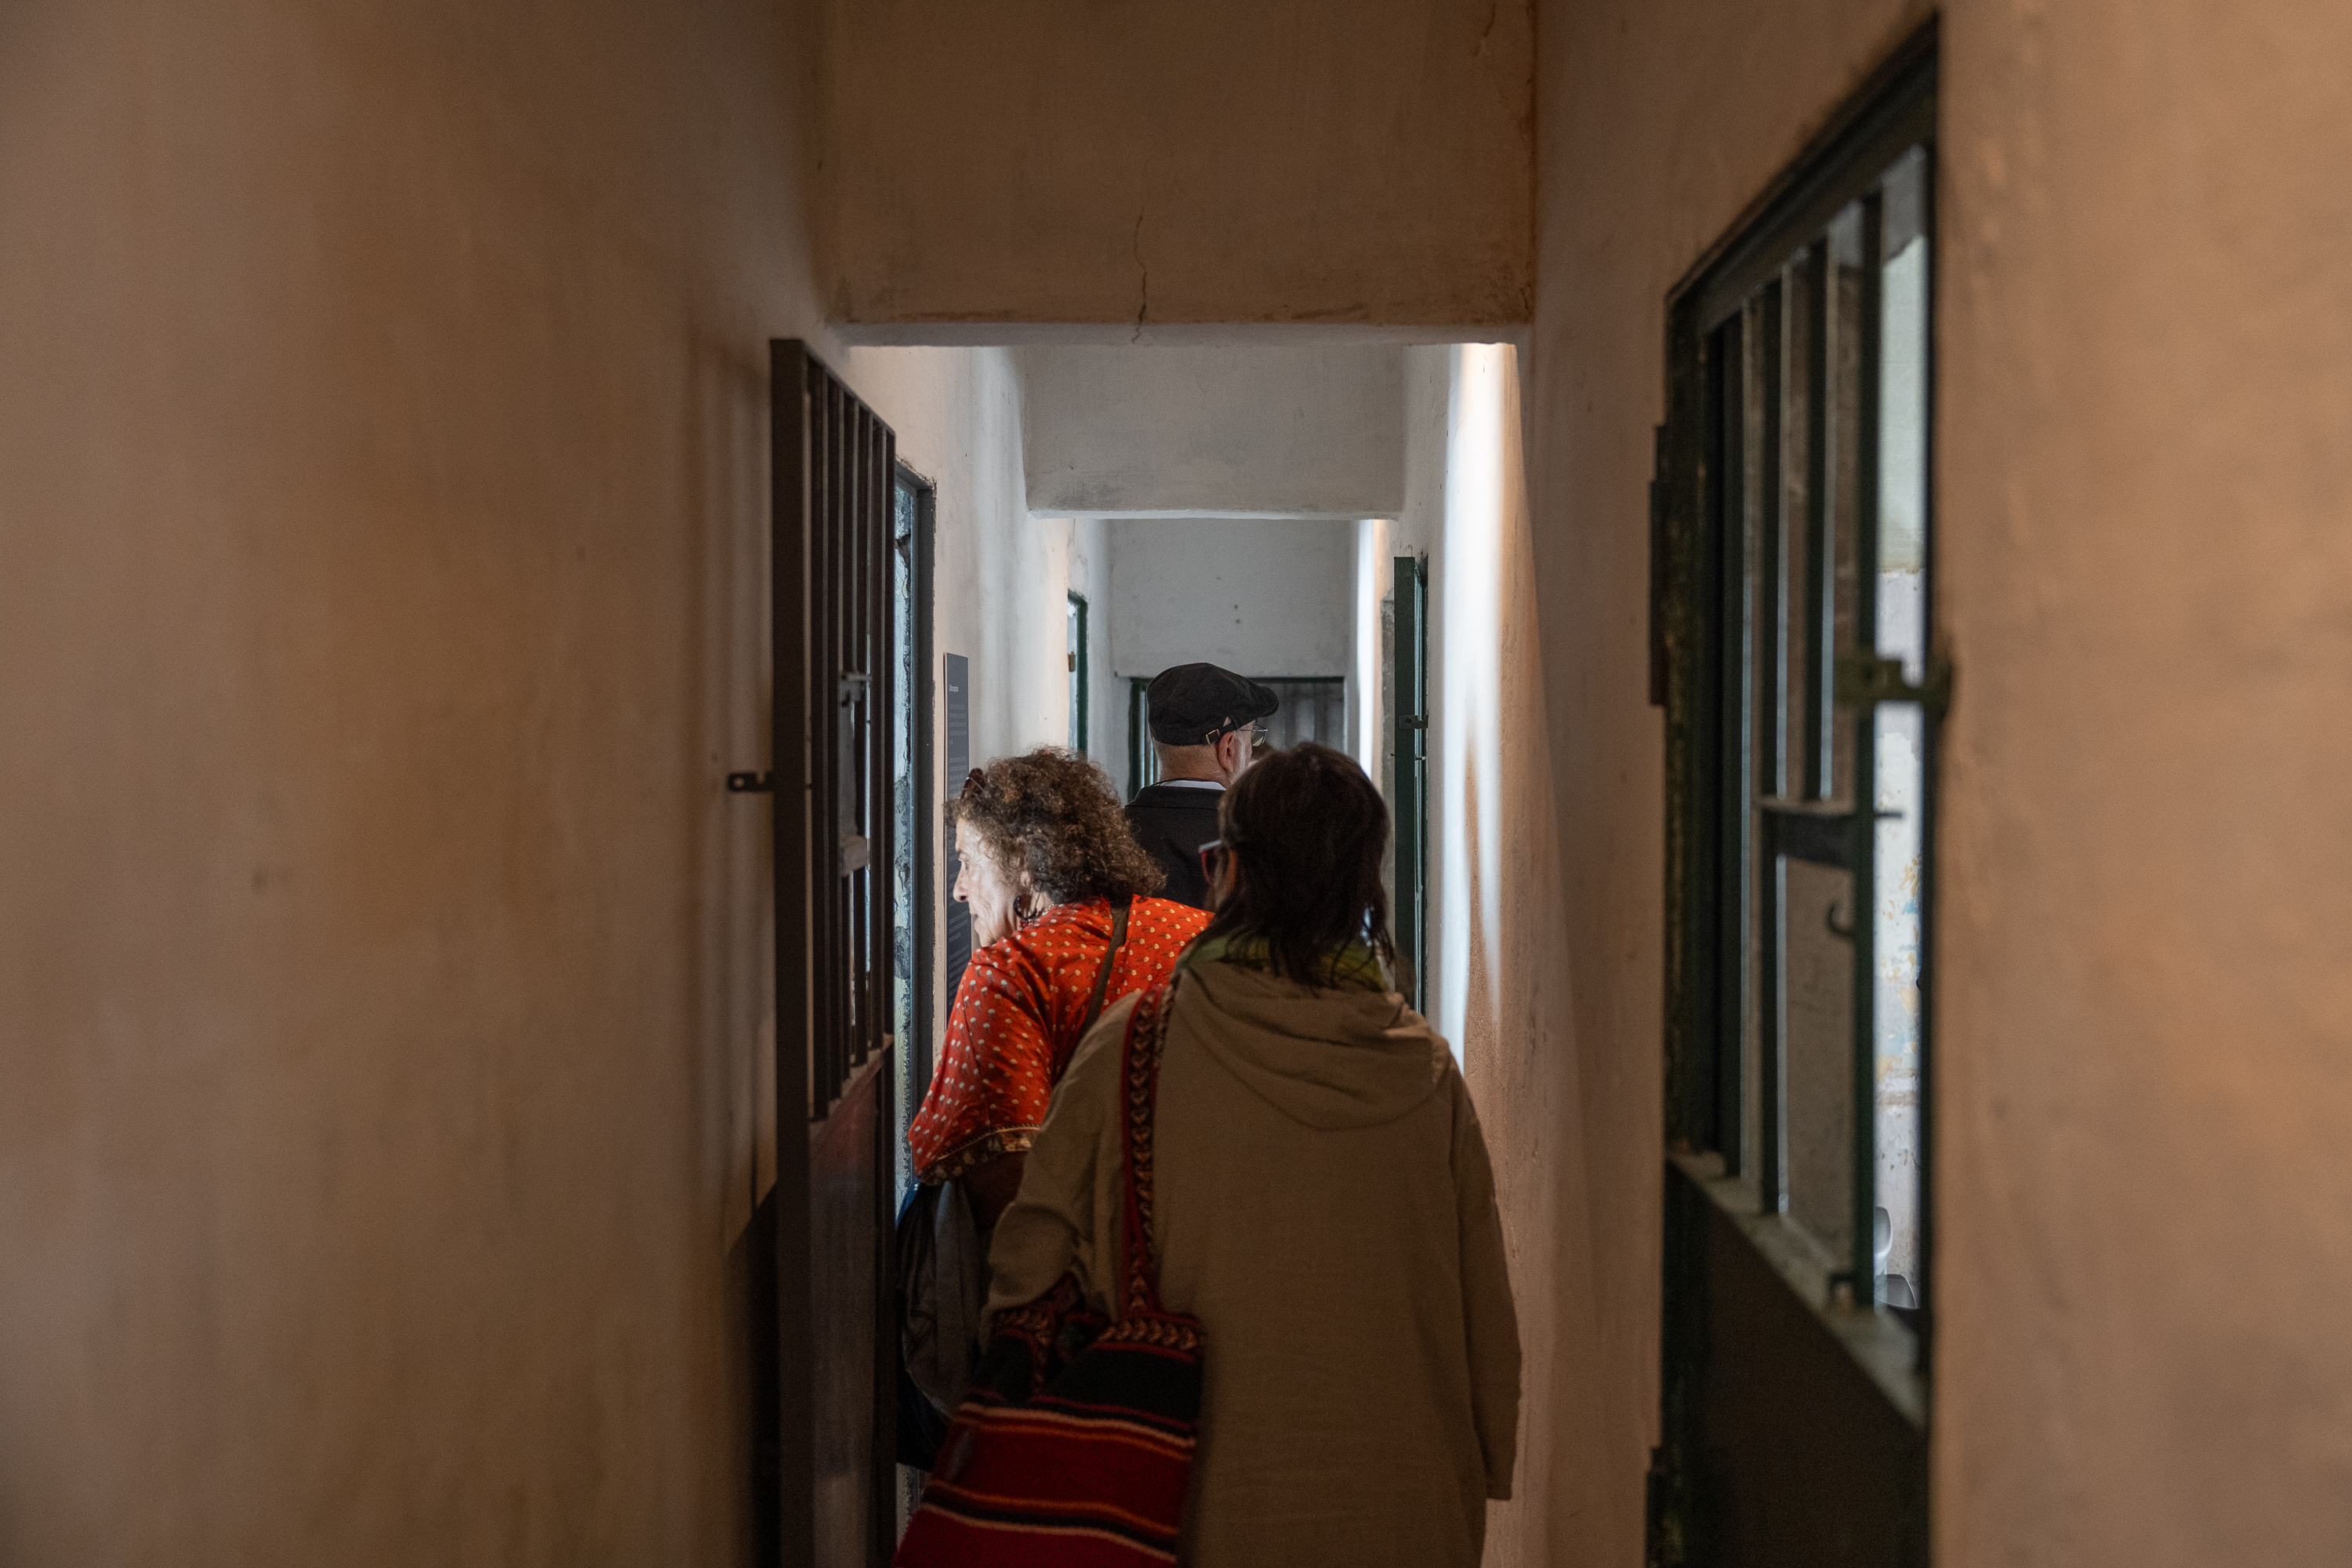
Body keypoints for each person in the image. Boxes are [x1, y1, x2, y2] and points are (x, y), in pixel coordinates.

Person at [988, 742, 1520, 1568]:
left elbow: (1027, 1273)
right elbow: (1485, 1311)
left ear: (1226, 871)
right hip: (1405, 1507)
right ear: (1364, 891)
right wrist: (1484, 1457)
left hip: (1182, 1507)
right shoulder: (1426, 1073)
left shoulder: (1135, 1046)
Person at [1123, 662, 1279, 909]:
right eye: (1252, 738)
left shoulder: (1110, 835)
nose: (1251, 750)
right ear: (1229, 749)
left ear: (1154, 738)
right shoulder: (1260, 841)